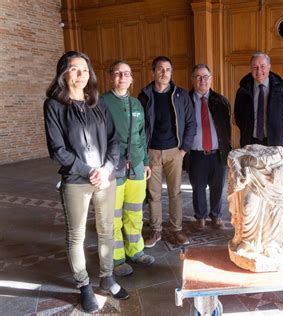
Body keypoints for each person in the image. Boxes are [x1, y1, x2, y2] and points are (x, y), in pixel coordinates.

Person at [44, 51, 128, 314]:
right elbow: (57, 150)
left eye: (84, 69)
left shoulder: (97, 102)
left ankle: (107, 277)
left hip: (105, 177)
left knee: (107, 230)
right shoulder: (54, 106)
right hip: (76, 180)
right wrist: (89, 171)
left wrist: (106, 169)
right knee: (76, 236)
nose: (81, 75)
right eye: (74, 69)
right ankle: (84, 285)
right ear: (63, 73)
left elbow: (114, 139)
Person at [102, 60, 155, 277]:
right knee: (113, 214)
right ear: (111, 77)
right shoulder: (102, 102)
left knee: (134, 212)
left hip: (137, 166)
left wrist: (145, 161)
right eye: (118, 73)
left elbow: (142, 135)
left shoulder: (136, 104)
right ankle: (117, 257)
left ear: (132, 78)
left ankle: (136, 250)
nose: (122, 77)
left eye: (126, 74)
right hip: (114, 166)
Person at [138, 56, 196, 247]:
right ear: (153, 71)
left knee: (175, 193)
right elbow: (139, 126)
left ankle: (176, 229)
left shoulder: (181, 95)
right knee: (154, 193)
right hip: (152, 152)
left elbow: (190, 123)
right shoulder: (144, 95)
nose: (164, 73)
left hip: (174, 151)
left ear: (171, 73)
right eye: (160, 69)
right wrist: (143, 154)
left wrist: (184, 149)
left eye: (168, 70)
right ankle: (156, 231)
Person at [188, 64, 231, 230]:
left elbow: (226, 128)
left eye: (205, 76)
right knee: (198, 187)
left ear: (211, 79)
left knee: (217, 186)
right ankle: (200, 217)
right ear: (193, 80)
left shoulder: (221, 101)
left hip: (217, 153)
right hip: (196, 153)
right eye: (198, 77)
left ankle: (216, 215)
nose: (202, 80)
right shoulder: (185, 100)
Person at [234, 52, 283, 149]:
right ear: (250, 69)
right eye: (255, 67)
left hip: (275, 141)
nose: (259, 70)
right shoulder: (242, 91)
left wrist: (277, 128)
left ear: (269, 67)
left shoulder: (282, 89)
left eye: (262, 66)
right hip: (250, 141)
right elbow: (238, 116)